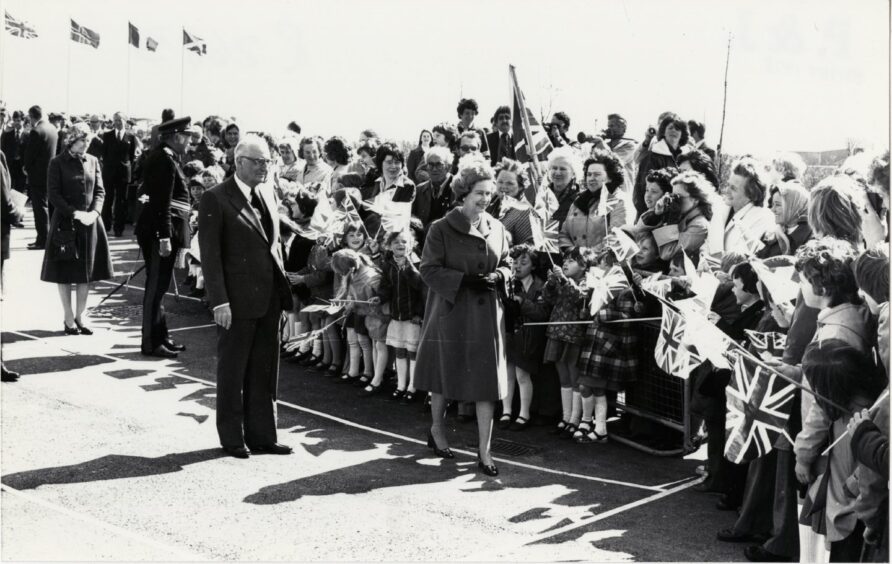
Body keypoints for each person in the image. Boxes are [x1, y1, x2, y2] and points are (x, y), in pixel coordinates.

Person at [198, 134, 294, 459]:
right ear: (239, 162)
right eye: (258, 161)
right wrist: (219, 301)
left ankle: (263, 435)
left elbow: (274, 248)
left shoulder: (267, 194)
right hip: (235, 302)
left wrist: (281, 297)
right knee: (233, 370)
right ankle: (232, 436)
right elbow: (210, 256)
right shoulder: (216, 198)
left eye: (267, 161)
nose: (264, 167)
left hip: (267, 300)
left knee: (265, 370)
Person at [415, 155, 511, 476]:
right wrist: (465, 280)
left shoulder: (497, 227)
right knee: (444, 375)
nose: (485, 199)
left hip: (486, 317)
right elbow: (428, 269)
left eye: (489, 193)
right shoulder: (441, 229)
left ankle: (484, 451)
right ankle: (438, 430)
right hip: (451, 311)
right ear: (463, 193)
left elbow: (507, 262)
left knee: (486, 384)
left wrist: (500, 277)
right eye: (479, 193)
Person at [796, 341, 885, 563]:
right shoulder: (867, 402)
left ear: (830, 388)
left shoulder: (859, 419)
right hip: (852, 511)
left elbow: (868, 476)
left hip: (851, 515)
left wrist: (865, 512)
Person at [39, 122, 114, 335]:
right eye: (83, 140)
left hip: (90, 223)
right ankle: (68, 317)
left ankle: (81, 316)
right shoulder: (57, 163)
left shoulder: (93, 161)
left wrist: (95, 213)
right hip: (65, 223)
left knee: (85, 273)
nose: (86, 145)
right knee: (64, 273)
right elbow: (53, 194)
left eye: (88, 141)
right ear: (71, 140)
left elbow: (100, 191)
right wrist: (75, 213)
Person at [135, 117, 193, 358]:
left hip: (162, 231)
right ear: (176, 136)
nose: (190, 141)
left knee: (159, 287)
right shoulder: (163, 160)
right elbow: (161, 203)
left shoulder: (168, 157)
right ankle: (150, 343)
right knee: (155, 288)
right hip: (158, 233)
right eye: (187, 136)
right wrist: (164, 237)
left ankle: (161, 337)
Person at [500, 244, 550, 431]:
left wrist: (523, 303)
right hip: (508, 333)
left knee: (523, 374)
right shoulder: (507, 284)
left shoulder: (541, 286)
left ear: (534, 266)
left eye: (523, 262)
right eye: (514, 262)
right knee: (508, 372)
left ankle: (524, 413)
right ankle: (506, 411)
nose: (517, 266)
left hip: (528, 337)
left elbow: (542, 313)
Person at [558, 150, 627, 252]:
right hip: (576, 263)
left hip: (603, 264)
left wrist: (586, 255)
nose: (591, 178)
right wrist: (573, 253)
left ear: (611, 177)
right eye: (589, 174)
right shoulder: (579, 201)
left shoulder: (619, 201)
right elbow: (564, 234)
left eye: (597, 174)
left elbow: (616, 239)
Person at [708, 156, 775, 256]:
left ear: (751, 195)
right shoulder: (722, 209)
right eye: (728, 185)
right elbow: (708, 243)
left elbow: (741, 257)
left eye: (734, 189)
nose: (727, 191)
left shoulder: (763, 218)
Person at [633, 114, 689, 216]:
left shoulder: (686, 158)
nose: (673, 131)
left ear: (682, 134)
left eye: (677, 129)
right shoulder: (653, 156)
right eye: (670, 128)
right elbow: (643, 189)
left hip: (677, 213)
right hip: (653, 214)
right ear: (663, 131)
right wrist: (649, 216)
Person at [23, 105, 58, 250]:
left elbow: (30, 154)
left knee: (40, 208)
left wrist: (25, 167)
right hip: (50, 173)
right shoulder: (52, 129)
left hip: (37, 176)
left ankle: (43, 240)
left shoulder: (36, 131)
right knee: (47, 207)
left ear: (32, 117)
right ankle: (44, 237)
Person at [100, 112, 137, 237]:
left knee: (121, 201)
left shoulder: (131, 136)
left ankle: (118, 228)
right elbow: (104, 154)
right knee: (107, 199)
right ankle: (105, 226)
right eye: (115, 120)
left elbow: (131, 156)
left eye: (120, 120)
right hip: (109, 172)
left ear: (125, 121)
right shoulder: (107, 135)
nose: (117, 122)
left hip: (123, 173)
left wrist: (126, 166)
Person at [756, 181, 812, 259]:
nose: (773, 209)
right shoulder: (774, 233)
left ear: (793, 206)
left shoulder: (809, 236)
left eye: (778, 205)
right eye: (772, 205)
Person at [411, 145, 455, 230]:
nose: (434, 169)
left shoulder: (459, 189)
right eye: (430, 165)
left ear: (448, 167)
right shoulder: (420, 190)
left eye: (439, 165)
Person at [545, 147, 582, 228]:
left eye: (563, 169)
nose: (557, 173)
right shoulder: (541, 196)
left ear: (573, 173)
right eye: (554, 168)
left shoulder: (580, 200)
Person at [1, 110, 28, 192]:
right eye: (15, 120)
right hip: (10, 165)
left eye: (19, 120)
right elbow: (3, 149)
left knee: (20, 189)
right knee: (8, 187)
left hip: (21, 166)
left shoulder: (28, 134)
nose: (16, 122)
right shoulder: (7, 134)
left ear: (23, 121)